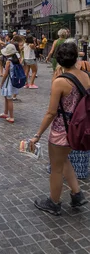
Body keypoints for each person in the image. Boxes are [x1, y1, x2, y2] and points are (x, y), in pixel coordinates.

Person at [29, 41, 89, 215]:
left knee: (56, 167)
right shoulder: (85, 76)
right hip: (78, 128)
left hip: (61, 130)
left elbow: (51, 112)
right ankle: (77, 194)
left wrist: (37, 135)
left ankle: (54, 202)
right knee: (64, 160)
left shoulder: (60, 82)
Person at [0, 43, 21, 124]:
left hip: (8, 81)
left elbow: (6, 73)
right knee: (7, 98)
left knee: (9, 98)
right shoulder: (16, 59)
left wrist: (2, 82)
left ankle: (11, 116)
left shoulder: (8, 61)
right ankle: (5, 112)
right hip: (13, 79)